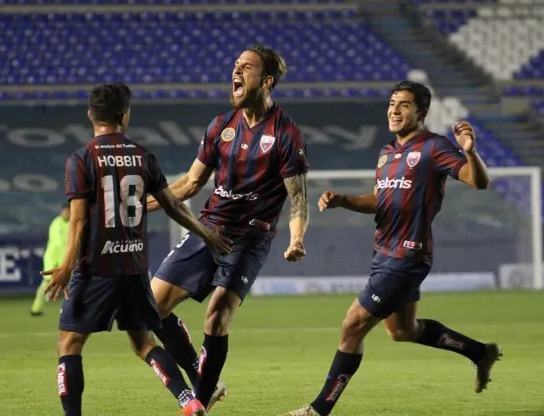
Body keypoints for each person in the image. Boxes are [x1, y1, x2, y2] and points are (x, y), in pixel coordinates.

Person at [282, 81, 502, 416]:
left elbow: (478, 181)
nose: (394, 110)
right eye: (391, 103)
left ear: (421, 113)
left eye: (404, 105)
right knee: (402, 331)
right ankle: (479, 352)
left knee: (352, 323)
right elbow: (380, 200)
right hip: (384, 253)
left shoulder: (434, 147)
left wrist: (469, 151)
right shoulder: (387, 153)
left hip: (408, 254)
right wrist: (343, 200)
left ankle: (318, 410)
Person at [42, 82, 232, 416]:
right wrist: (206, 233)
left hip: (96, 268)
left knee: (69, 344)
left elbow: (79, 221)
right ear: (125, 116)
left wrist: (67, 264)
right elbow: (173, 204)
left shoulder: (81, 159)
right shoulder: (142, 155)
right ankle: (189, 400)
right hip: (133, 265)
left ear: (90, 115)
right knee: (143, 342)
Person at [144, 44, 310, 410]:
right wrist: (138, 208)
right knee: (150, 308)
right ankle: (206, 380)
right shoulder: (220, 126)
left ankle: (199, 403)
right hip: (208, 229)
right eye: (235, 65)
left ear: (266, 81)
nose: (236, 72)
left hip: (250, 238)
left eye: (246, 67)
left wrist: (297, 238)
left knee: (217, 314)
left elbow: (298, 199)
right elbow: (189, 183)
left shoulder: (286, 135)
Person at [31, 202, 70, 317]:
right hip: (54, 260)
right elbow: (60, 244)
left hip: (66, 260)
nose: (67, 213)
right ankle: (36, 309)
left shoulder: (72, 223)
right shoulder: (57, 223)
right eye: (65, 211)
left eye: (69, 211)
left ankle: (72, 310)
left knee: (73, 285)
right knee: (47, 284)